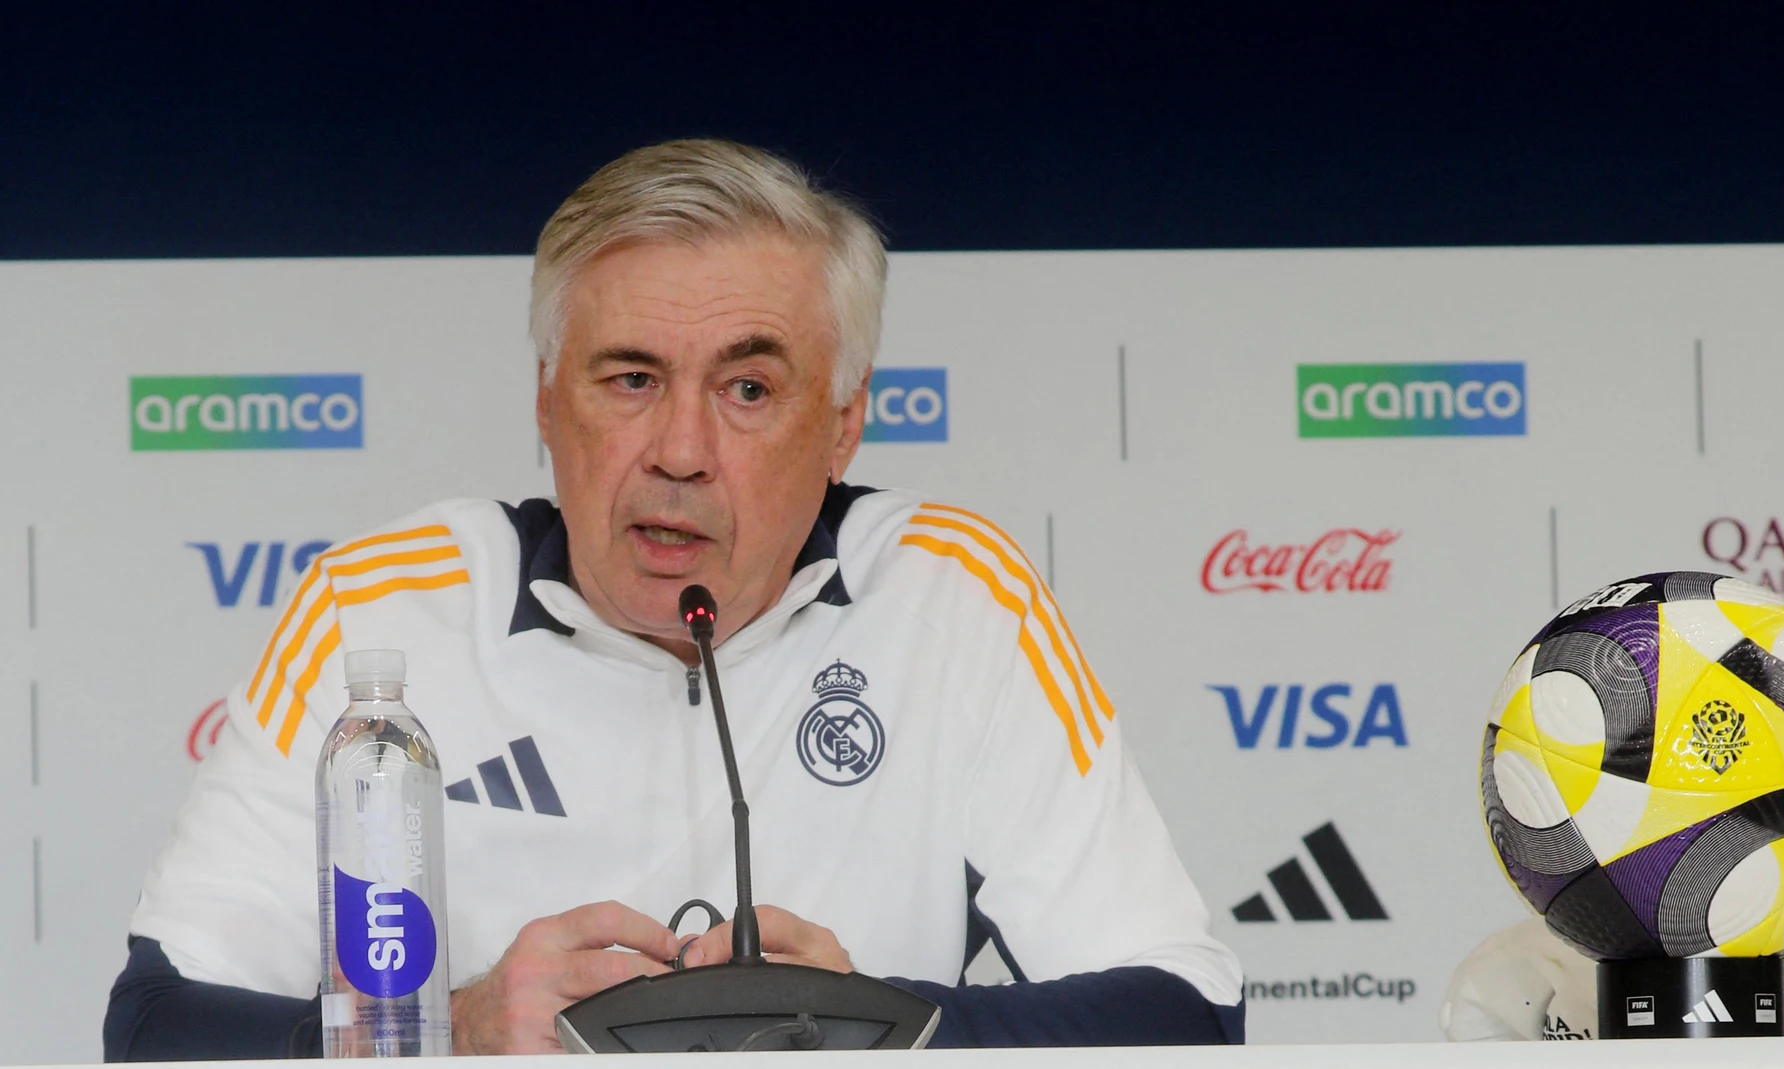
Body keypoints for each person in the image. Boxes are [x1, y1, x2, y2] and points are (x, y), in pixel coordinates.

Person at [104, 138, 1243, 1058]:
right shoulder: (377, 613)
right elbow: (155, 1028)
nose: (681, 451)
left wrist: (878, 1027)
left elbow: (1188, 1012)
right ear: (547, 399)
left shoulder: (954, 597)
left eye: (748, 387)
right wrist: (451, 1032)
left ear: (843, 422)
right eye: (631, 378)